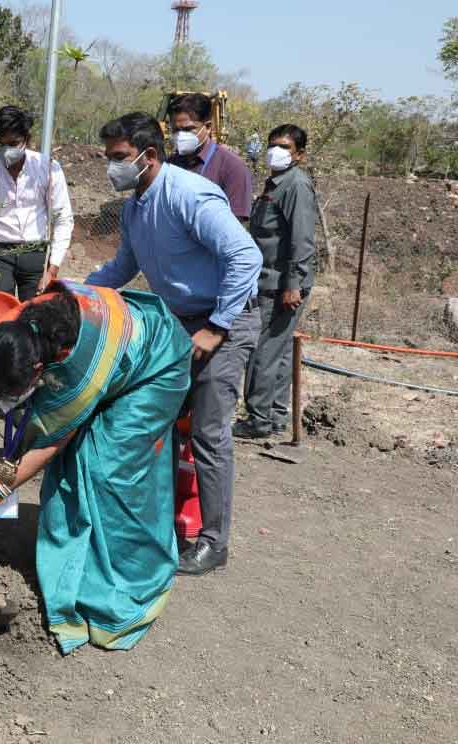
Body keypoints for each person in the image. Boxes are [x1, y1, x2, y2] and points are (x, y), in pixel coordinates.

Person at [0, 281, 191, 652]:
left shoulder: (80, 374)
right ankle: (75, 566)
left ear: (39, 370)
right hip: (112, 350)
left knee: (108, 473)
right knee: (72, 469)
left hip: (155, 365)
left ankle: (127, 589)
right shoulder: (4, 337)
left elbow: (50, 444)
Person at [86, 112, 261, 576]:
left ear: (148, 155)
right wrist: (76, 290)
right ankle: (161, 525)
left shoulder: (190, 195)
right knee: (162, 424)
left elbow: (247, 256)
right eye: (109, 158)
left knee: (207, 432)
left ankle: (213, 542)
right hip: (180, 325)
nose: (112, 167)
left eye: (119, 158)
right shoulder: (134, 206)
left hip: (227, 319)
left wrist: (217, 327)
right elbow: (122, 268)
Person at [234, 125, 316, 440]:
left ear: (299, 154)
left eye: (284, 147)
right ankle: (274, 417)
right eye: (272, 145)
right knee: (278, 351)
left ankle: (257, 420)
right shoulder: (276, 183)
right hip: (271, 279)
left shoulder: (295, 185)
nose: (275, 151)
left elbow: (302, 240)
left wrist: (293, 284)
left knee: (263, 350)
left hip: (282, 282)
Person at [0, 105, 74, 300]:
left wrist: (52, 269)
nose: (7, 151)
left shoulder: (47, 168)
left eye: (13, 144)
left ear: (27, 140)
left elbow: (63, 218)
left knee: (34, 316)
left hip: (35, 253)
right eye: (1, 144)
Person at [167, 93, 253, 221]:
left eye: (188, 129)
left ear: (207, 127)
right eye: (175, 130)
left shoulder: (232, 167)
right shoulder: (169, 165)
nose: (180, 136)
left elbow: (235, 226)